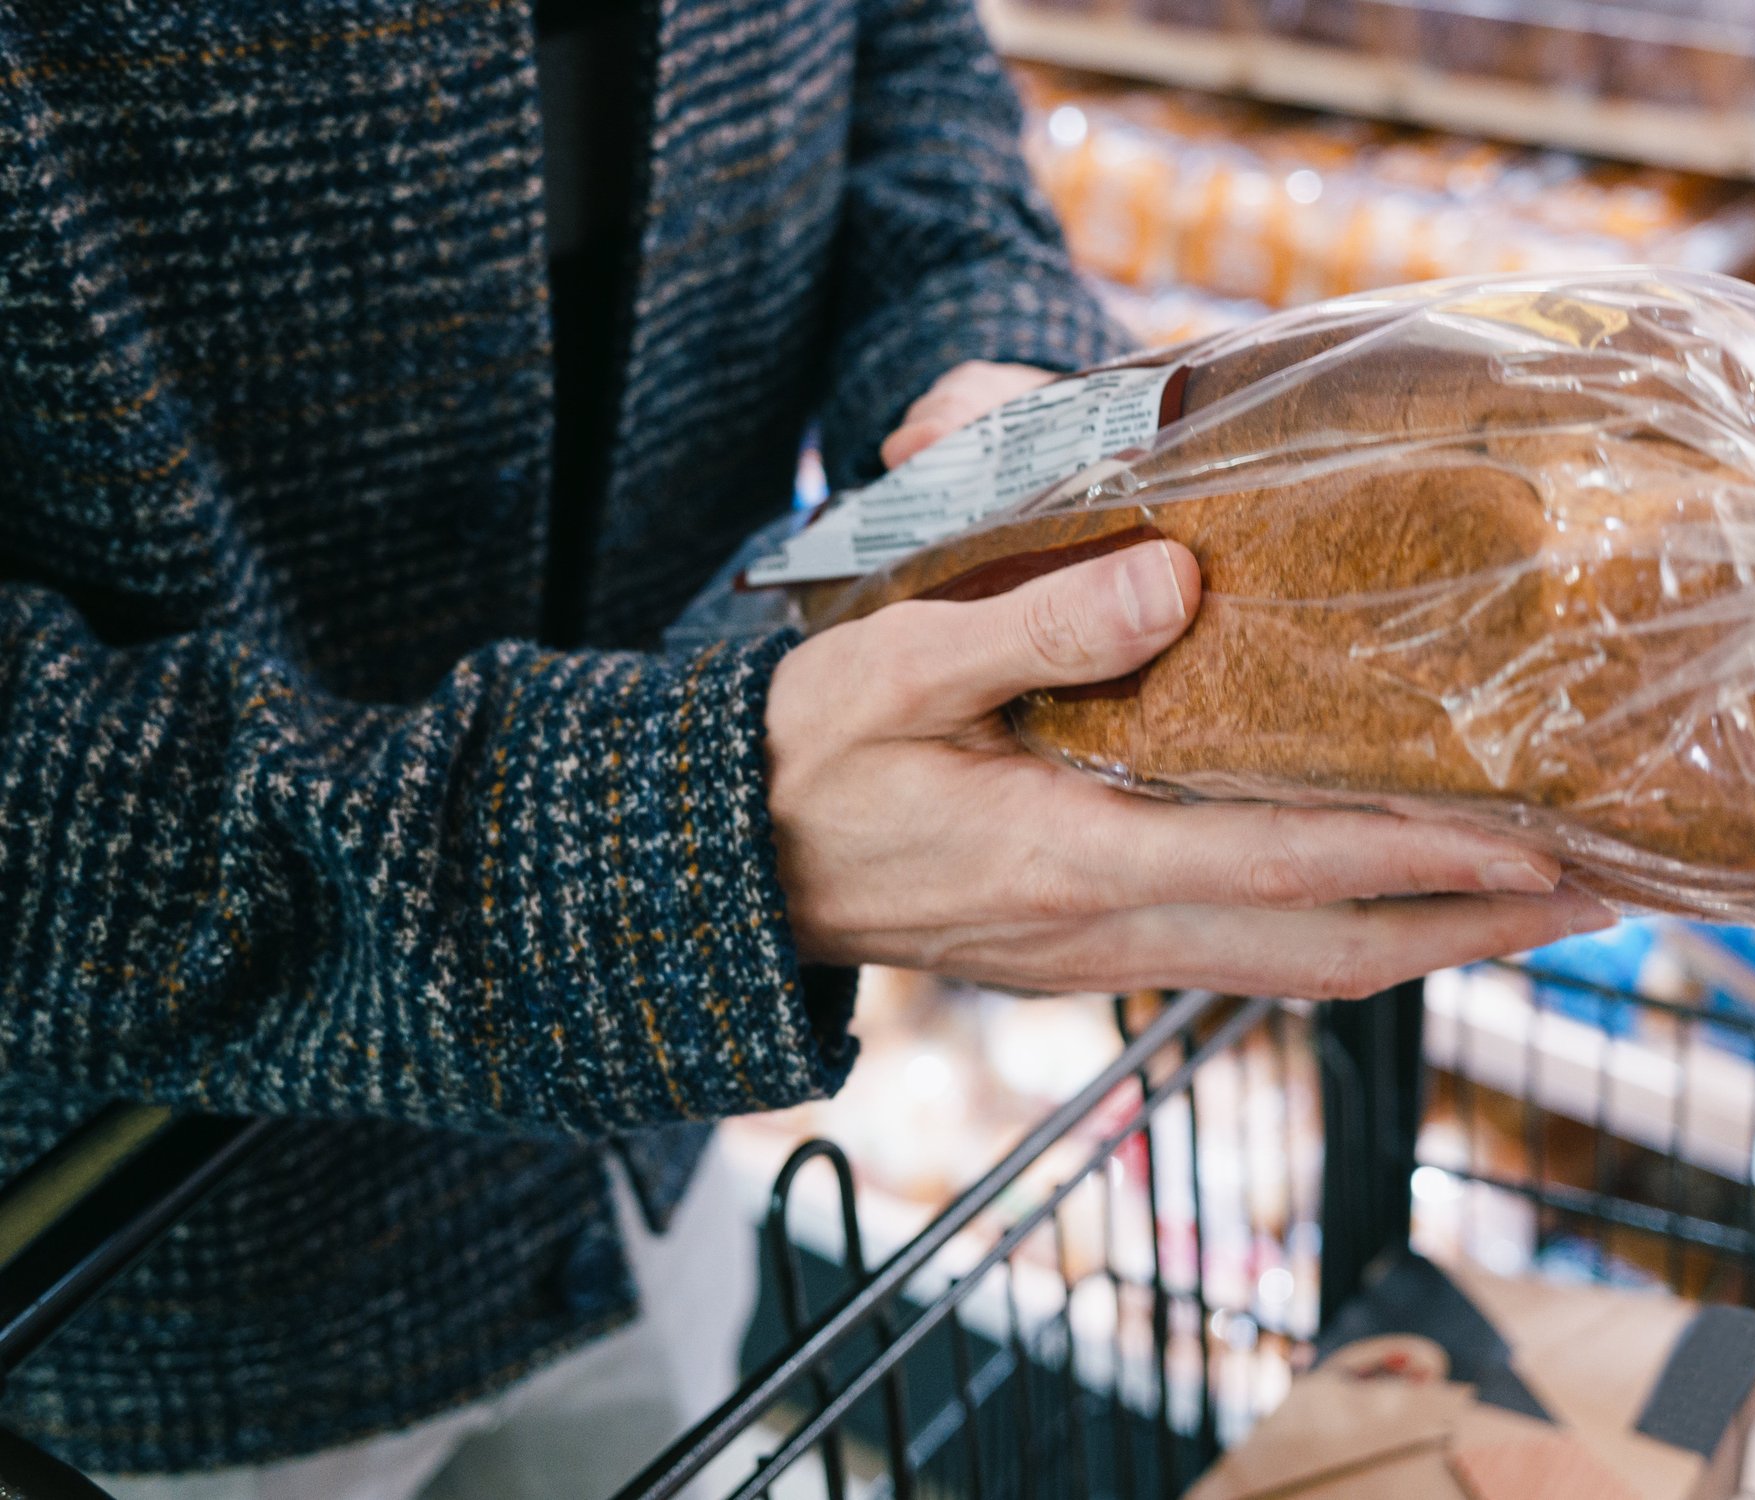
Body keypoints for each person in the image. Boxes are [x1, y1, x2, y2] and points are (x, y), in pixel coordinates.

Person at [0, 0, 1612, 1493]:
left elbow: (905, 64)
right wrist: (685, 849)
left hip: (652, 1164)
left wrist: (1002, 383)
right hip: (150, 1291)